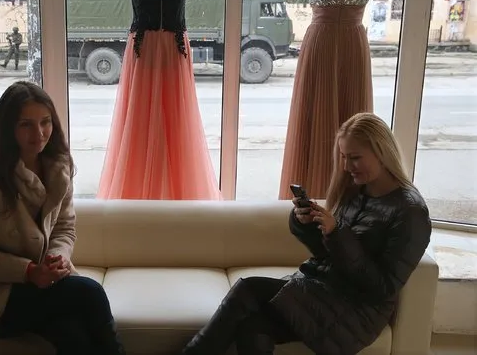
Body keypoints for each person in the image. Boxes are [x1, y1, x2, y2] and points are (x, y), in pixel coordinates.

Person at [182, 112, 432, 355]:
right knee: (252, 328)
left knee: (248, 288)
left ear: (382, 153)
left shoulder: (410, 212)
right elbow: (327, 255)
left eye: (354, 158)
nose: (346, 167)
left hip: (357, 310)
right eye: (343, 157)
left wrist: (338, 233)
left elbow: (383, 288)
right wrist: (308, 224)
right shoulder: (357, 191)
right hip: (323, 290)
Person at [0, 81, 125, 355]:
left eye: (45, 122)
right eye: (26, 125)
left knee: (73, 336)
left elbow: (65, 227)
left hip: (44, 288)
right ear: (8, 128)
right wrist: (30, 272)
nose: (39, 133)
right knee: (89, 292)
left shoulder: (59, 166)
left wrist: (57, 258)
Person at [97, 0, 221, 200]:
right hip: (148, 48)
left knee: (178, 117)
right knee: (140, 115)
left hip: (165, 47)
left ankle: (177, 191)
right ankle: (138, 191)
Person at [278, 0, 382, 201]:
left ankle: (347, 198)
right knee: (321, 113)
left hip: (328, 41)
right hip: (347, 42)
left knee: (354, 120)